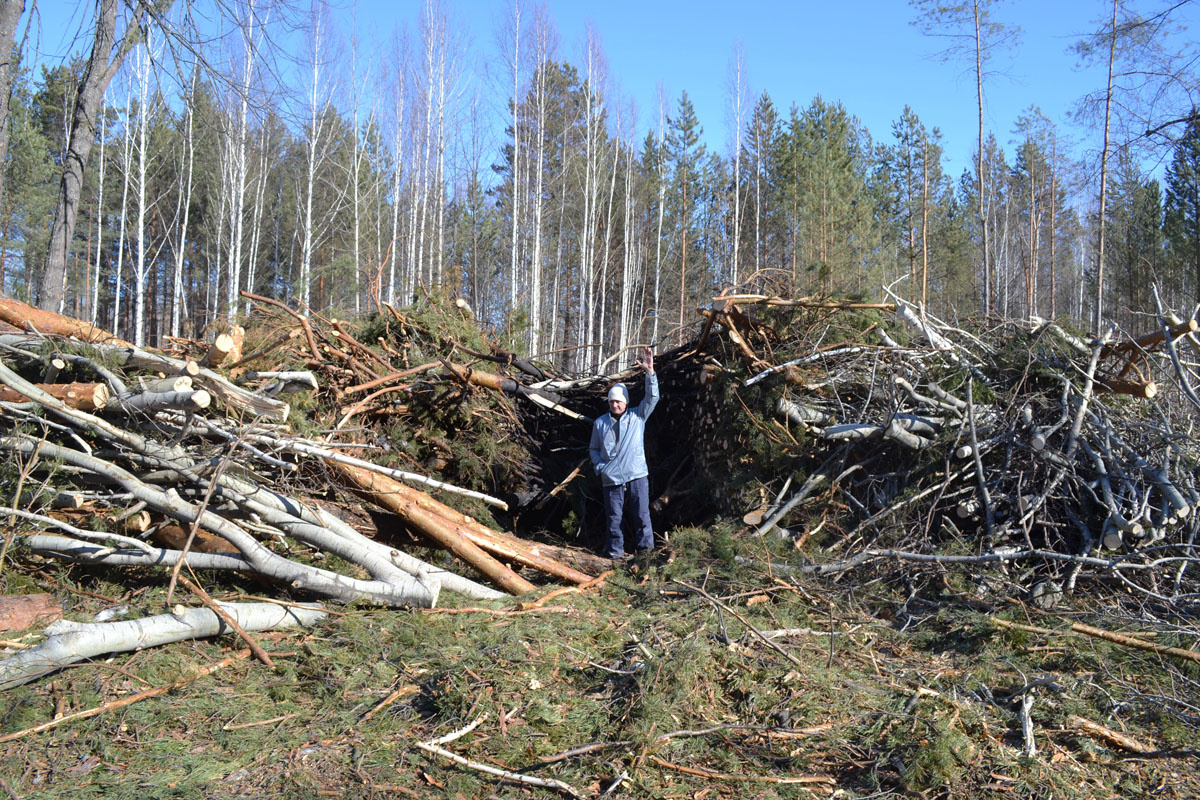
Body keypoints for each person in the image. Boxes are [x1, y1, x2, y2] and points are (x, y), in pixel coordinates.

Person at [589, 346, 658, 560]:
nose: (615, 404)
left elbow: (652, 397)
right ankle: (615, 555)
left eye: (618, 401)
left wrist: (650, 373)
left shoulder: (638, 416)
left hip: (637, 475)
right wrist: (600, 468)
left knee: (641, 516)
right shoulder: (600, 423)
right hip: (612, 479)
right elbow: (593, 448)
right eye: (611, 401)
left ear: (626, 402)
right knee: (613, 518)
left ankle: (646, 554)